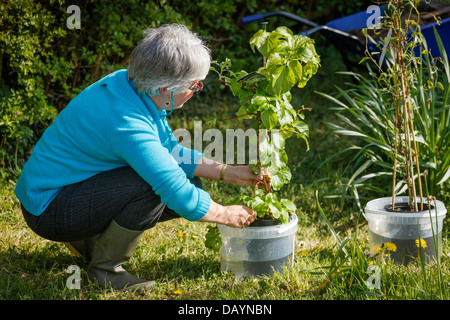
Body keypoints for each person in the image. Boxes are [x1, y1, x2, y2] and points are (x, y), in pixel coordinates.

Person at [14, 24, 261, 291]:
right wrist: (224, 214)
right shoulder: (126, 122)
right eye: (194, 85)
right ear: (166, 88)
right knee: (153, 187)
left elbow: (168, 149)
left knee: (191, 183)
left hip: (65, 189)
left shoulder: (131, 85)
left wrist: (229, 172)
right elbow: (173, 187)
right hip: (49, 208)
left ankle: (90, 241)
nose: (197, 89)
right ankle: (106, 270)